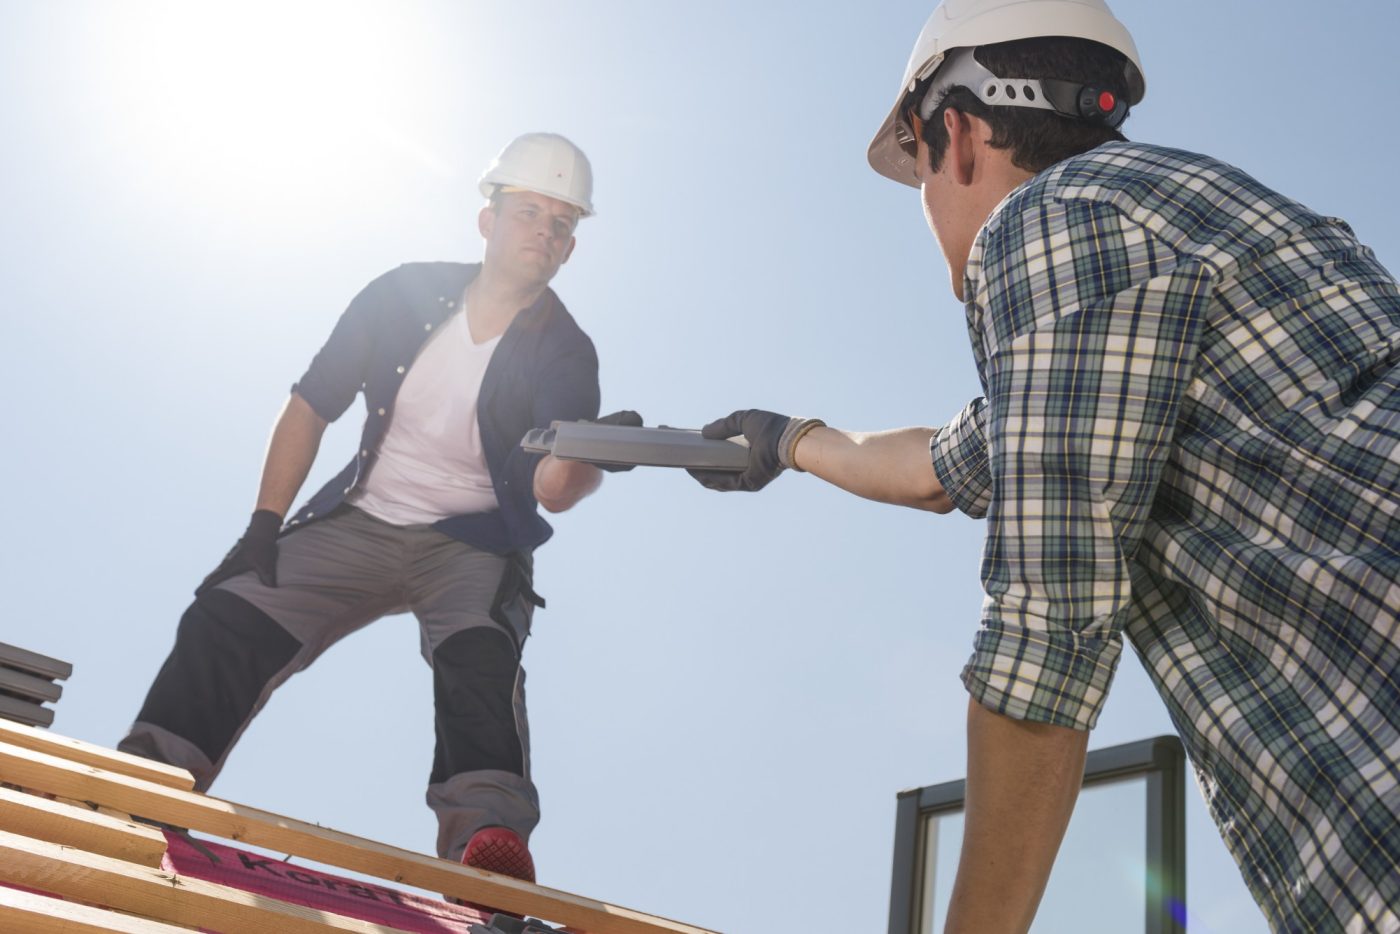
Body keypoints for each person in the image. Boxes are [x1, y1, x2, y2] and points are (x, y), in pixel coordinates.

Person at [689, 1, 1399, 930]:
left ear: (959, 131)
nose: (927, 202)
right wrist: (787, 440)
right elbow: (941, 468)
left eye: (918, 170)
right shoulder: (1202, 230)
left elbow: (1048, 628)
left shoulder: (1049, 219)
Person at [120, 132, 637, 883]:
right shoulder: (400, 293)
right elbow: (311, 404)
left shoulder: (565, 350)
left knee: (480, 659)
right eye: (531, 212)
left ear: (571, 249)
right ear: (488, 220)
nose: (546, 233)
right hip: (361, 520)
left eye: (563, 225)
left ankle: (486, 842)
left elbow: (554, 487)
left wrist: (588, 456)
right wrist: (264, 526)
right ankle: (146, 781)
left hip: (475, 544)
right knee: (227, 613)